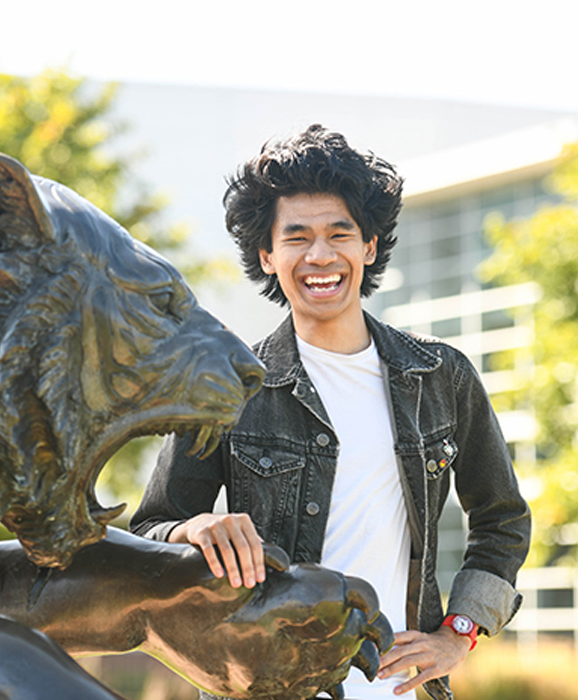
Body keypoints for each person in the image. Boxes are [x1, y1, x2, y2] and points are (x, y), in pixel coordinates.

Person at [130, 124, 531, 699]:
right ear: (267, 255)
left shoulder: (441, 377)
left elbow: (503, 520)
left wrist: (458, 633)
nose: (320, 256)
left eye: (339, 234)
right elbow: (147, 531)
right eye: (297, 238)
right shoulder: (224, 388)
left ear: (368, 247)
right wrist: (191, 529)